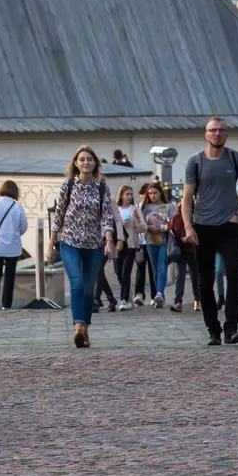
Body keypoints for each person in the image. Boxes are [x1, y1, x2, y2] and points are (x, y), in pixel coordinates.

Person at [180, 117, 238, 346]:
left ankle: (231, 328)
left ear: (226, 134)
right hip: (203, 226)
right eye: (213, 130)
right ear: (206, 134)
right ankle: (213, 329)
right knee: (205, 280)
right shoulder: (195, 162)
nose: (217, 134)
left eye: (221, 130)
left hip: (229, 226)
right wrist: (188, 227)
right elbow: (187, 199)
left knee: (234, 274)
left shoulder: (235, 158)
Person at [50, 146, 118, 348]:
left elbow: (106, 215)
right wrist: (51, 241)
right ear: (76, 163)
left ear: (95, 163)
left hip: (94, 244)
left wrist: (109, 238)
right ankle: (78, 326)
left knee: (89, 288)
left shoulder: (102, 188)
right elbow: (59, 214)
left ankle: (85, 330)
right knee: (77, 284)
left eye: (89, 159)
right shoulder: (68, 185)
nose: (86, 162)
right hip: (70, 242)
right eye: (82, 159)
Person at [0, 180, 29, 311]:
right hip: (13, 247)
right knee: (10, 277)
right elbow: (24, 226)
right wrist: (14, 234)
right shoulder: (18, 206)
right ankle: (6, 305)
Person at [141, 183, 172, 309]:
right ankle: (160, 295)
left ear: (160, 193)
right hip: (150, 240)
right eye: (150, 193)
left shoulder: (169, 206)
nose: (153, 196)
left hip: (164, 239)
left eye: (155, 193)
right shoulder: (145, 207)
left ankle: (159, 293)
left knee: (161, 264)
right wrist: (148, 227)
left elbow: (174, 223)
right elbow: (139, 225)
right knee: (155, 268)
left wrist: (163, 227)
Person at [114, 185, 145, 310]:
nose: (129, 197)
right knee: (118, 272)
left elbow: (143, 227)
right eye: (127, 194)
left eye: (131, 194)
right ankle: (127, 294)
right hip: (118, 243)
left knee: (126, 271)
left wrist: (135, 221)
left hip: (131, 243)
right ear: (121, 195)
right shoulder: (115, 209)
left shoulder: (135, 209)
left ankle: (123, 299)